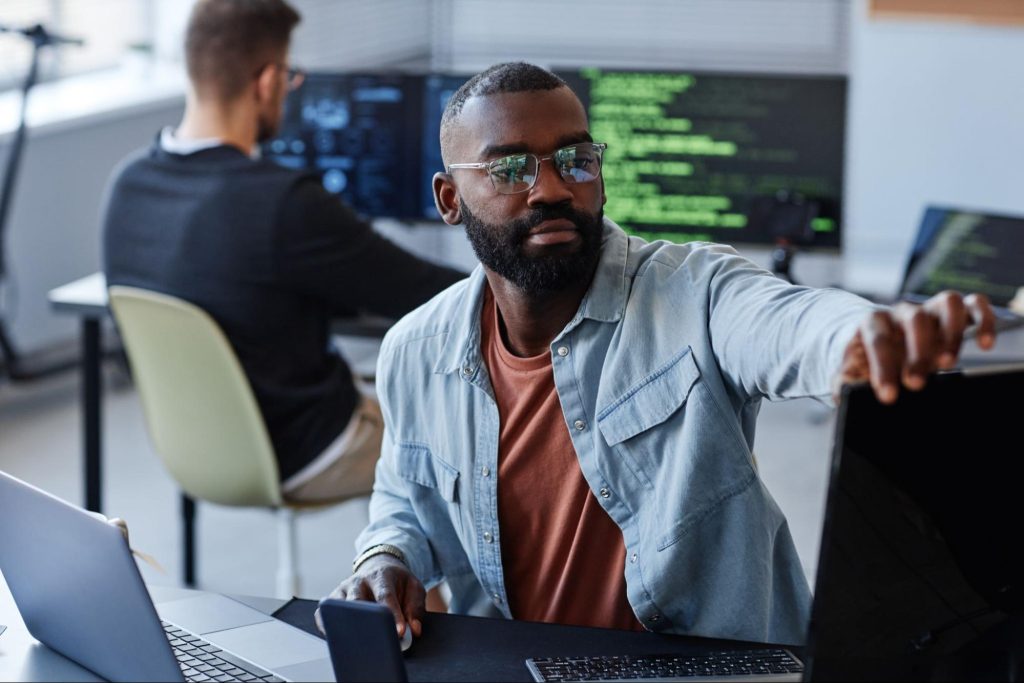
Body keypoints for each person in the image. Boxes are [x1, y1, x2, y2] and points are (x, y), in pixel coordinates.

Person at [320, 62, 998, 644]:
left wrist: (864, 336)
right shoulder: (416, 350)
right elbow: (404, 500)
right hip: (517, 663)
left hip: (709, 672)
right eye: (510, 169)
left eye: (576, 160)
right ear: (449, 199)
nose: (552, 189)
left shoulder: (694, 291)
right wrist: (386, 556)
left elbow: (789, 321)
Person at [101, 0, 465, 504]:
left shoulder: (127, 183)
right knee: (466, 429)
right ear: (268, 80)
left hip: (194, 449)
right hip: (311, 449)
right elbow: (427, 293)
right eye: (290, 77)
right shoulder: (283, 201)